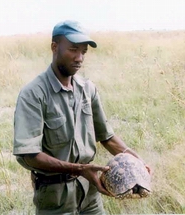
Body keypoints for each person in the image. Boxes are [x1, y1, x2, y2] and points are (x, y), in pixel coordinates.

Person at [13, 20, 151, 215]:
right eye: (73, 50)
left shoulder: (88, 89)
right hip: (55, 196)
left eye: (84, 52)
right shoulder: (33, 94)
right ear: (54, 47)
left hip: (90, 192)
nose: (79, 58)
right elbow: (30, 155)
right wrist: (79, 169)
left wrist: (136, 160)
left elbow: (107, 137)